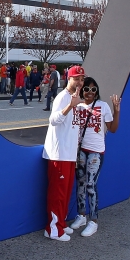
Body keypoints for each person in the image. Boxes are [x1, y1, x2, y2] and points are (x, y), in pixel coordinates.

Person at [68, 77, 120, 238]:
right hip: (81, 151)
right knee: (81, 184)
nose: (90, 92)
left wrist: (116, 110)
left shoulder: (102, 106)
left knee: (91, 184)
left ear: (97, 92)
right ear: (82, 91)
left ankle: (94, 221)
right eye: (86, 89)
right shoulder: (78, 106)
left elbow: (112, 129)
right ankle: (81, 215)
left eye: (93, 89)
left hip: (96, 152)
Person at [41, 65, 86, 241]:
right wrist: (70, 106)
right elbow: (53, 120)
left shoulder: (75, 98)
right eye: (77, 79)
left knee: (66, 193)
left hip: (69, 154)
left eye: (82, 79)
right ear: (69, 78)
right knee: (57, 194)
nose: (80, 82)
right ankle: (53, 229)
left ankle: (60, 224)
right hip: (58, 154)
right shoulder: (62, 97)